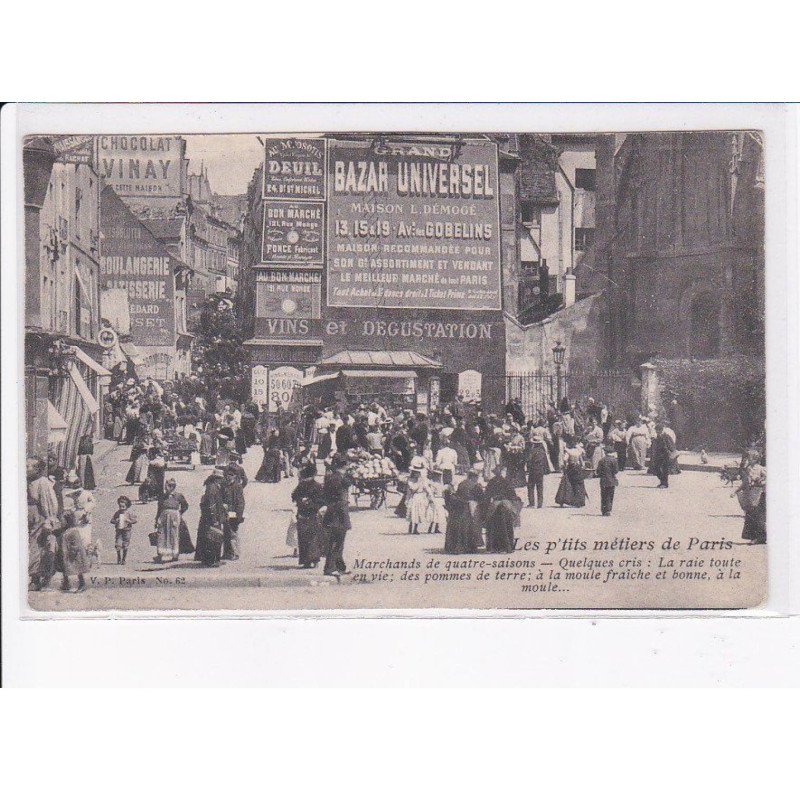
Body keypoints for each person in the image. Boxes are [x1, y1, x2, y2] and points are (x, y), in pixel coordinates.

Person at [321, 453, 352, 578]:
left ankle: (339, 566)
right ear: (344, 465)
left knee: (334, 540)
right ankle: (330, 567)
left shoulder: (329, 477)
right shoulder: (342, 478)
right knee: (337, 541)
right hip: (340, 512)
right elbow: (349, 483)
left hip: (331, 510)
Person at [444, 466, 485, 554]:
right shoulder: (476, 485)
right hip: (470, 507)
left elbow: (458, 495)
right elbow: (481, 497)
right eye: (477, 477)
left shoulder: (462, 484)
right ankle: (473, 545)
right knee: (476, 523)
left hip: (460, 507)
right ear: (474, 477)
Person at [290, 463, 325, 568]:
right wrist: (312, 504)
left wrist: (302, 501)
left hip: (302, 513)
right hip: (313, 514)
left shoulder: (301, 485)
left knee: (303, 537)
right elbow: (322, 501)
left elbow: (293, 496)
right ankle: (315, 560)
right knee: (314, 537)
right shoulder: (318, 486)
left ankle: (306, 561)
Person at [483, 465, 520, 553]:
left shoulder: (491, 482)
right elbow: (513, 495)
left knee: (490, 524)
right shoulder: (506, 481)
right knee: (508, 525)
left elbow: (487, 495)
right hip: (506, 505)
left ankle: (493, 547)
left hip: (495, 505)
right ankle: (508, 547)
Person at [194, 469, 227, 567]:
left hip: (209, 518)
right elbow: (211, 505)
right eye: (220, 478)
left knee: (211, 538)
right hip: (211, 518)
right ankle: (211, 560)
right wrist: (214, 519)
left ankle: (211, 559)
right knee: (212, 539)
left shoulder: (213, 487)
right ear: (216, 479)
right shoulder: (212, 488)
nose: (221, 480)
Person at [154, 478, 190, 562]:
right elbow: (159, 509)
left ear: (173, 487)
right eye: (166, 486)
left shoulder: (178, 496)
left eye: (169, 486)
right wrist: (156, 519)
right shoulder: (162, 496)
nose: (167, 488)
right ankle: (161, 554)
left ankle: (175, 554)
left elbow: (185, 505)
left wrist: (179, 513)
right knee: (161, 534)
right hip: (163, 516)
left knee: (174, 534)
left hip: (174, 517)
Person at [738, 450, 766, 544]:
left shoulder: (761, 468)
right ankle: (753, 536)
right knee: (749, 515)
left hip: (759, 494)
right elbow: (745, 481)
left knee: (757, 516)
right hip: (750, 494)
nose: (747, 459)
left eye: (749, 457)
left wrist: (760, 482)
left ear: (755, 459)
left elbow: (767, 479)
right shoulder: (748, 468)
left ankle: (758, 537)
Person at [554, 436, 588, 508]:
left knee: (567, 483)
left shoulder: (568, 451)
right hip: (578, 468)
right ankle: (579, 501)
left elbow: (565, 460)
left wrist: (564, 467)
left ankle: (565, 499)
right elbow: (582, 461)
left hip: (571, 467)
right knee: (578, 484)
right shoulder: (579, 451)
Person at [60, 509, 89, 592]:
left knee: (78, 570)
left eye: (62, 520)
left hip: (76, 555)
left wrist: (72, 552)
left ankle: (82, 584)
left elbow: (76, 544)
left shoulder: (73, 531)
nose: (61, 522)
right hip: (69, 553)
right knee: (66, 568)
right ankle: (66, 583)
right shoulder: (66, 530)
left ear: (68, 521)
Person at [222, 465, 245, 560]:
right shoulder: (224, 485)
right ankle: (227, 553)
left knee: (233, 533)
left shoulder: (238, 487)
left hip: (234, 514)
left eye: (231, 475)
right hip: (225, 513)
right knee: (225, 533)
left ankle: (235, 553)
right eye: (228, 475)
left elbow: (241, 502)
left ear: (235, 476)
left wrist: (238, 515)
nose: (229, 476)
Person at [406, 456, 433, 535]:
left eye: (418, 473)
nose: (416, 474)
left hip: (421, 497)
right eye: (415, 472)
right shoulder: (411, 480)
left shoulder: (422, 480)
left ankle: (416, 529)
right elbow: (412, 489)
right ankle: (411, 528)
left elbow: (426, 487)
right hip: (414, 497)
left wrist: (430, 494)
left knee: (419, 512)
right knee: (413, 512)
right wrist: (418, 482)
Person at [110, 496, 138, 565]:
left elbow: (134, 520)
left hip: (127, 530)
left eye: (123, 507)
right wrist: (116, 521)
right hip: (119, 531)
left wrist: (128, 521)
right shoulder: (117, 513)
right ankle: (119, 557)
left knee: (125, 544)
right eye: (120, 506)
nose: (121, 508)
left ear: (127, 506)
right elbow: (112, 520)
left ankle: (124, 559)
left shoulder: (129, 513)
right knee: (118, 544)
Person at [526, 429, 550, 508]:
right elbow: (546, 462)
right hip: (540, 471)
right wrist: (546, 471)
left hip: (533, 470)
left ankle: (532, 503)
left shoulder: (532, 451)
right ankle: (540, 504)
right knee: (540, 487)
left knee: (530, 487)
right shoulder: (543, 452)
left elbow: (528, 460)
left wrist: (528, 469)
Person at [596, 445, 619, 516]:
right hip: (612, 480)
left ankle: (604, 510)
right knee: (610, 495)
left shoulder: (601, 460)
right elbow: (616, 471)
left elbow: (598, 471)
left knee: (603, 495)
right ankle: (608, 510)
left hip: (603, 480)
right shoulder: (614, 460)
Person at [651, 424, 675, 488]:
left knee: (665, 469)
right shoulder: (657, 437)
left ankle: (665, 483)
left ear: (661, 430)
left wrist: (672, 452)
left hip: (665, 455)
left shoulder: (666, 436)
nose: (657, 432)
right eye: (656, 430)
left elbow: (670, 445)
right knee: (656, 468)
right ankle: (662, 481)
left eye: (658, 430)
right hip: (658, 455)